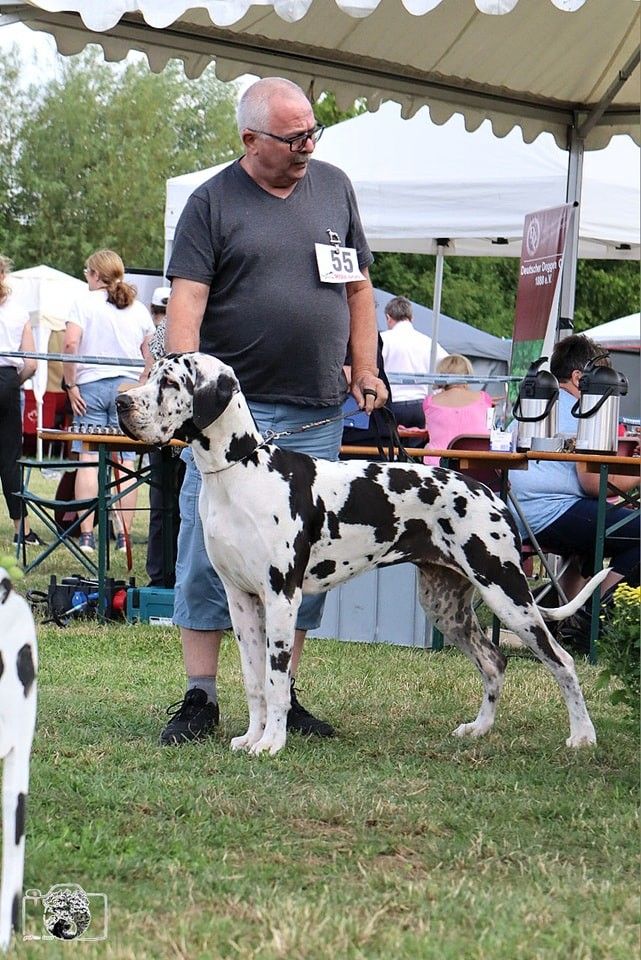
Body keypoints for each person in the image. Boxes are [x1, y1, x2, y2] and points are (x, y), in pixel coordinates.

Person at [161, 76, 387, 746]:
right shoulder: (211, 203)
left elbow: (358, 289)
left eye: (312, 132)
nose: (307, 146)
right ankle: (200, 696)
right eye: (293, 138)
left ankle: (282, 698)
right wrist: (183, 395)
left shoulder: (334, 187)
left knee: (300, 560)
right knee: (207, 553)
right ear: (250, 139)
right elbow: (187, 302)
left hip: (316, 411)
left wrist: (366, 367)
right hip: (231, 417)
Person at [508, 334, 640, 651]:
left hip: (517, 513)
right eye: (603, 379)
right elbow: (594, 483)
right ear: (580, 378)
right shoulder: (586, 408)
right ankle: (588, 620)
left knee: (599, 530)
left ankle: (564, 617)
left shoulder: (536, 403)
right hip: (550, 512)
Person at [62, 250, 155, 554]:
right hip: (126, 389)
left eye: (86, 272)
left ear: (95, 275)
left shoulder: (83, 303)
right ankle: (124, 536)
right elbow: (151, 351)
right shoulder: (138, 309)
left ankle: (87, 536)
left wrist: (70, 383)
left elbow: (70, 343)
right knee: (125, 461)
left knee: (88, 459)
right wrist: (142, 382)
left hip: (89, 386)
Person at [143, 287, 185, 587]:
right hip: (164, 426)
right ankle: (160, 578)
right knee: (163, 504)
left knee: (172, 506)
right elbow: (151, 361)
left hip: (186, 430)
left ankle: (170, 576)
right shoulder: (169, 325)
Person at [0, 254, 42, 546]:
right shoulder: (18, 312)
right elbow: (32, 363)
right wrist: (14, 383)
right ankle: (22, 531)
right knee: (10, 460)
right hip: (7, 381)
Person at [380, 296, 447, 442]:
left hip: (392, 405)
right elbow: (449, 367)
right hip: (421, 407)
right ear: (412, 318)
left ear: (388, 317)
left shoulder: (383, 340)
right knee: (416, 449)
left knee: (389, 446)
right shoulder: (428, 342)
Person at [422, 354, 494, 465]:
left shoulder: (429, 402)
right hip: (478, 464)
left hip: (439, 465)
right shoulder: (484, 398)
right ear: (468, 374)